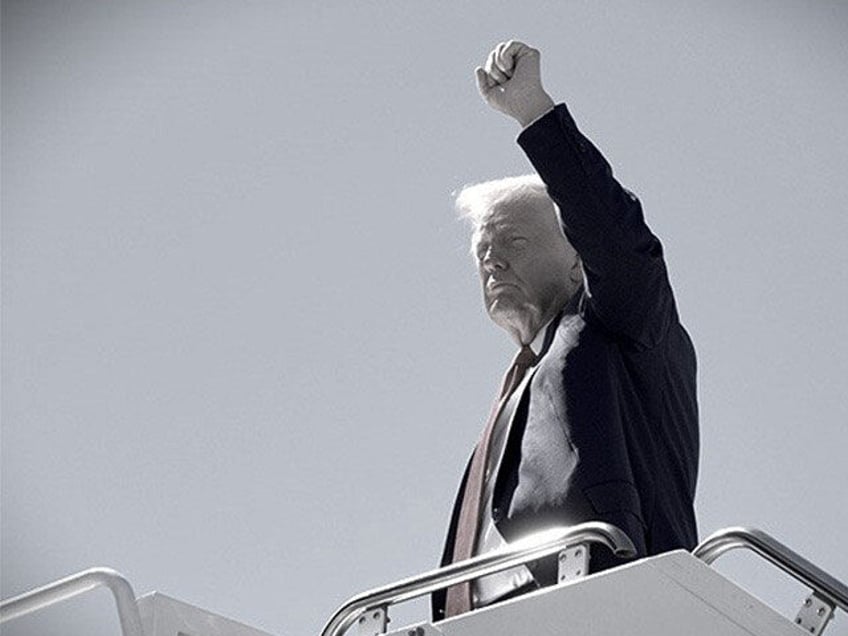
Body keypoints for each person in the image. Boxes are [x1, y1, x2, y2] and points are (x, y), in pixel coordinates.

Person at [432, 41, 699, 620]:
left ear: (578, 259)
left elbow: (619, 244)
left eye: (514, 242)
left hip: (606, 606)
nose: (492, 262)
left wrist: (534, 113)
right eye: (483, 251)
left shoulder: (621, 329)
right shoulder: (514, 392)